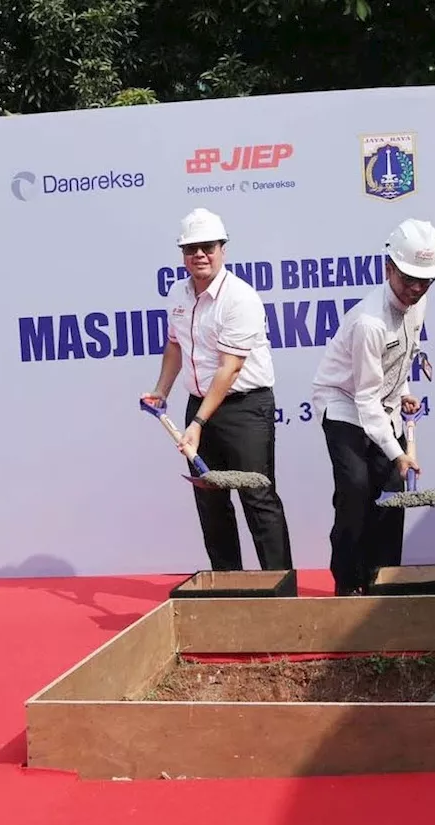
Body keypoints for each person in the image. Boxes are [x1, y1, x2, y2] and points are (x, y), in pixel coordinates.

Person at [141, 208, 293, 572]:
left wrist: (197, 422)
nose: (199, 255)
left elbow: (230, 368)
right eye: (191, 248)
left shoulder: (240, 298)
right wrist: (161, 390)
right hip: (200, 406)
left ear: (223, 248)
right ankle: (229, 586)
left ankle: (281, 591)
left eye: (207, 246)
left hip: (244, 408)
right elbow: (175, 345)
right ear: (182, 254)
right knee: (210, 498)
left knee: (257, 497)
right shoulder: (178, 293)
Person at [310, 218, 435, 595]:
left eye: (425, 280)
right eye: (408, 278)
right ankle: (348, 583)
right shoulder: (369, 322)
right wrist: (398, 452)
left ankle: (383, 582)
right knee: (355, 489)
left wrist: (404, 391)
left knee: (392, 492)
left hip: (382, 400)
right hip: (343, 402)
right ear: (389, 269)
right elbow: (365, 398)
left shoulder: (420, 302)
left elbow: (402, 357)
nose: (416, 288)